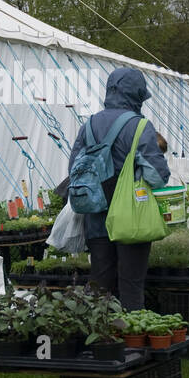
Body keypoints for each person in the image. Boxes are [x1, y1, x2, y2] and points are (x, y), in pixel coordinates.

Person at [67, 67, 170, 309]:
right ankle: (131, 345)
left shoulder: (89, 124)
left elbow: (74, 168)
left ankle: (100, 340)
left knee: (100, 285)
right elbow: (157, 176)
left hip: (95, 217)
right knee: (131, 286)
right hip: (130, 218)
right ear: (136, 95)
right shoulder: (140, 126)